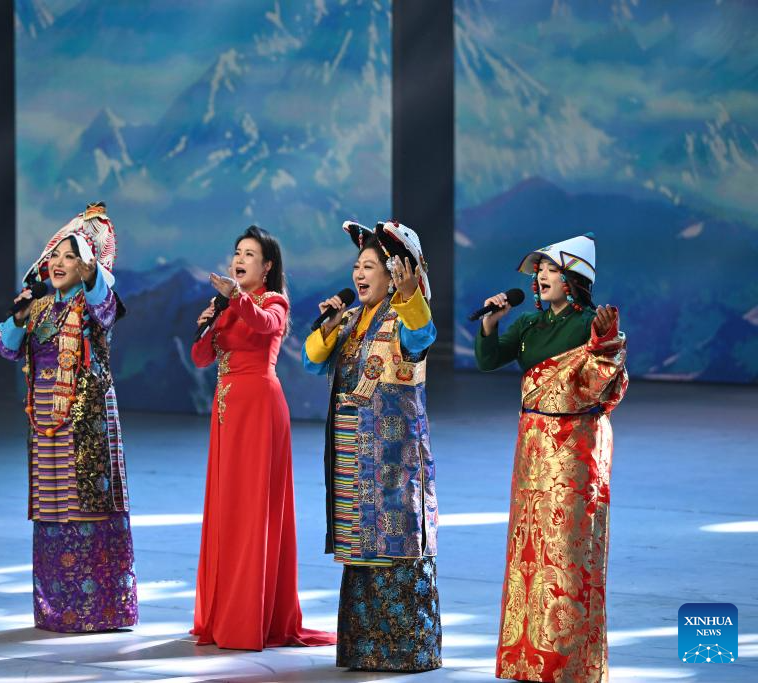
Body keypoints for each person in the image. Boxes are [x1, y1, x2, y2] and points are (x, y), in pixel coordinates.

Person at [474, 234, 628, 682]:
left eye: (551, 269)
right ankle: (529, 657)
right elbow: (488, 360)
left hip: (575, 445)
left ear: (573, 278)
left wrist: (605, 340)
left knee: (567, 549)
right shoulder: (528, 324)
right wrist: (491, 324)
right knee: (528, 550)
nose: (541, 276)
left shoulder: (588, 323)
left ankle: (568, 661)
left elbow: (607, 376)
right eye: (539, 269)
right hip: (533, 446)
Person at [302, 220, 442, 672]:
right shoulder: (352, 321)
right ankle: (363, 648)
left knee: (395, 546)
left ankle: (407, 651)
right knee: (360, 549)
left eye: (369, 266)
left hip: (393, 460)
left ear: (394, 274)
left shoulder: (405, 316)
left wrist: (410, 295)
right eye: (357, 266)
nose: (359, 274)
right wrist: (330, 324)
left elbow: (423, 337)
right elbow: (310, 360)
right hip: (354, 457)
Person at [190, 225, 335, 651]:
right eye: (237, 252)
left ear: (267, 266)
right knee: (227, 507)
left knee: (255, 508)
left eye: (249, 254)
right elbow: (201, 358)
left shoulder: (274, 302)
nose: (239, 259)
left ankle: (251, 616)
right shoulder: (228, 305)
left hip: (259, 408)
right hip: (226, 411)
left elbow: (263, 324)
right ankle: (222, 611)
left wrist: (233, 299)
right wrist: (209, 324)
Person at [0, 202, 136, 633]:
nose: (58, 262)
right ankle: (55, 610)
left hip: (86, 420)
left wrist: (92, 279)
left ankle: (99, 611)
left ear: (87, 264)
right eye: (54, 254)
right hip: (44, 421)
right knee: (52, 507)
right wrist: (18, 318)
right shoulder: (37, 307)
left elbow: (108, 311)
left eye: (70, 256)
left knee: (86, 506)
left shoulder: (94, 303)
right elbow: (5, 348)